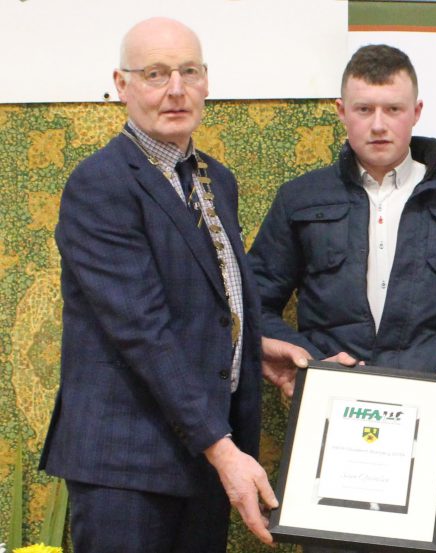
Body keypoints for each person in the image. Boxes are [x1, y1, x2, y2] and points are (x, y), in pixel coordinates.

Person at [38, 17, 307, 552]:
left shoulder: (215, 180)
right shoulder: (101, 184)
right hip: (127, 467)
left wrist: (250, 350)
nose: (176, 90)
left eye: (189, 71)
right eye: (156, 74)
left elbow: (200, 306)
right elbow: (142, 330)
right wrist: (223, 449)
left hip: (199, 458)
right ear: (122, 84)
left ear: (207, 81)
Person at [248, 44, 436, 553]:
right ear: (341, 111)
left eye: (393, 109)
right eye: (364, 109)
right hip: (329, 439)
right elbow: (253, 305)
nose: (378, 124)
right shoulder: (300, 200)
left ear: (416, 112)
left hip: (429, 438)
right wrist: (305, 359)